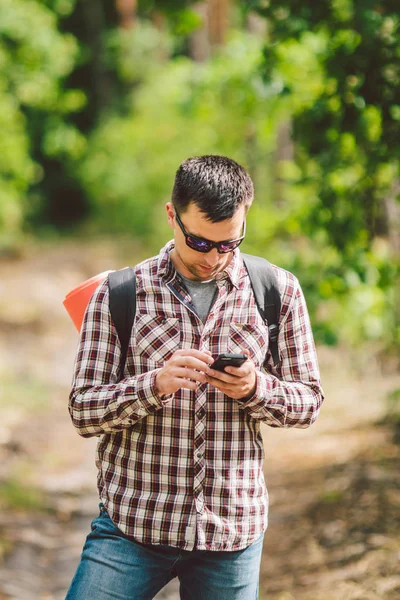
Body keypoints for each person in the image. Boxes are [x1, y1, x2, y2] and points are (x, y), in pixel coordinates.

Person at [66, 155, 324, 600]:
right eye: (201, 243)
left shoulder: (277, 291)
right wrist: (154, 385)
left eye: (229, 245)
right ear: (172, 215)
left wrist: (255, 388)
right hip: (133, 526)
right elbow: (83, 410)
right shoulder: (119, 292)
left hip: (232, 535)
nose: (214, 259)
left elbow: (309, 403)